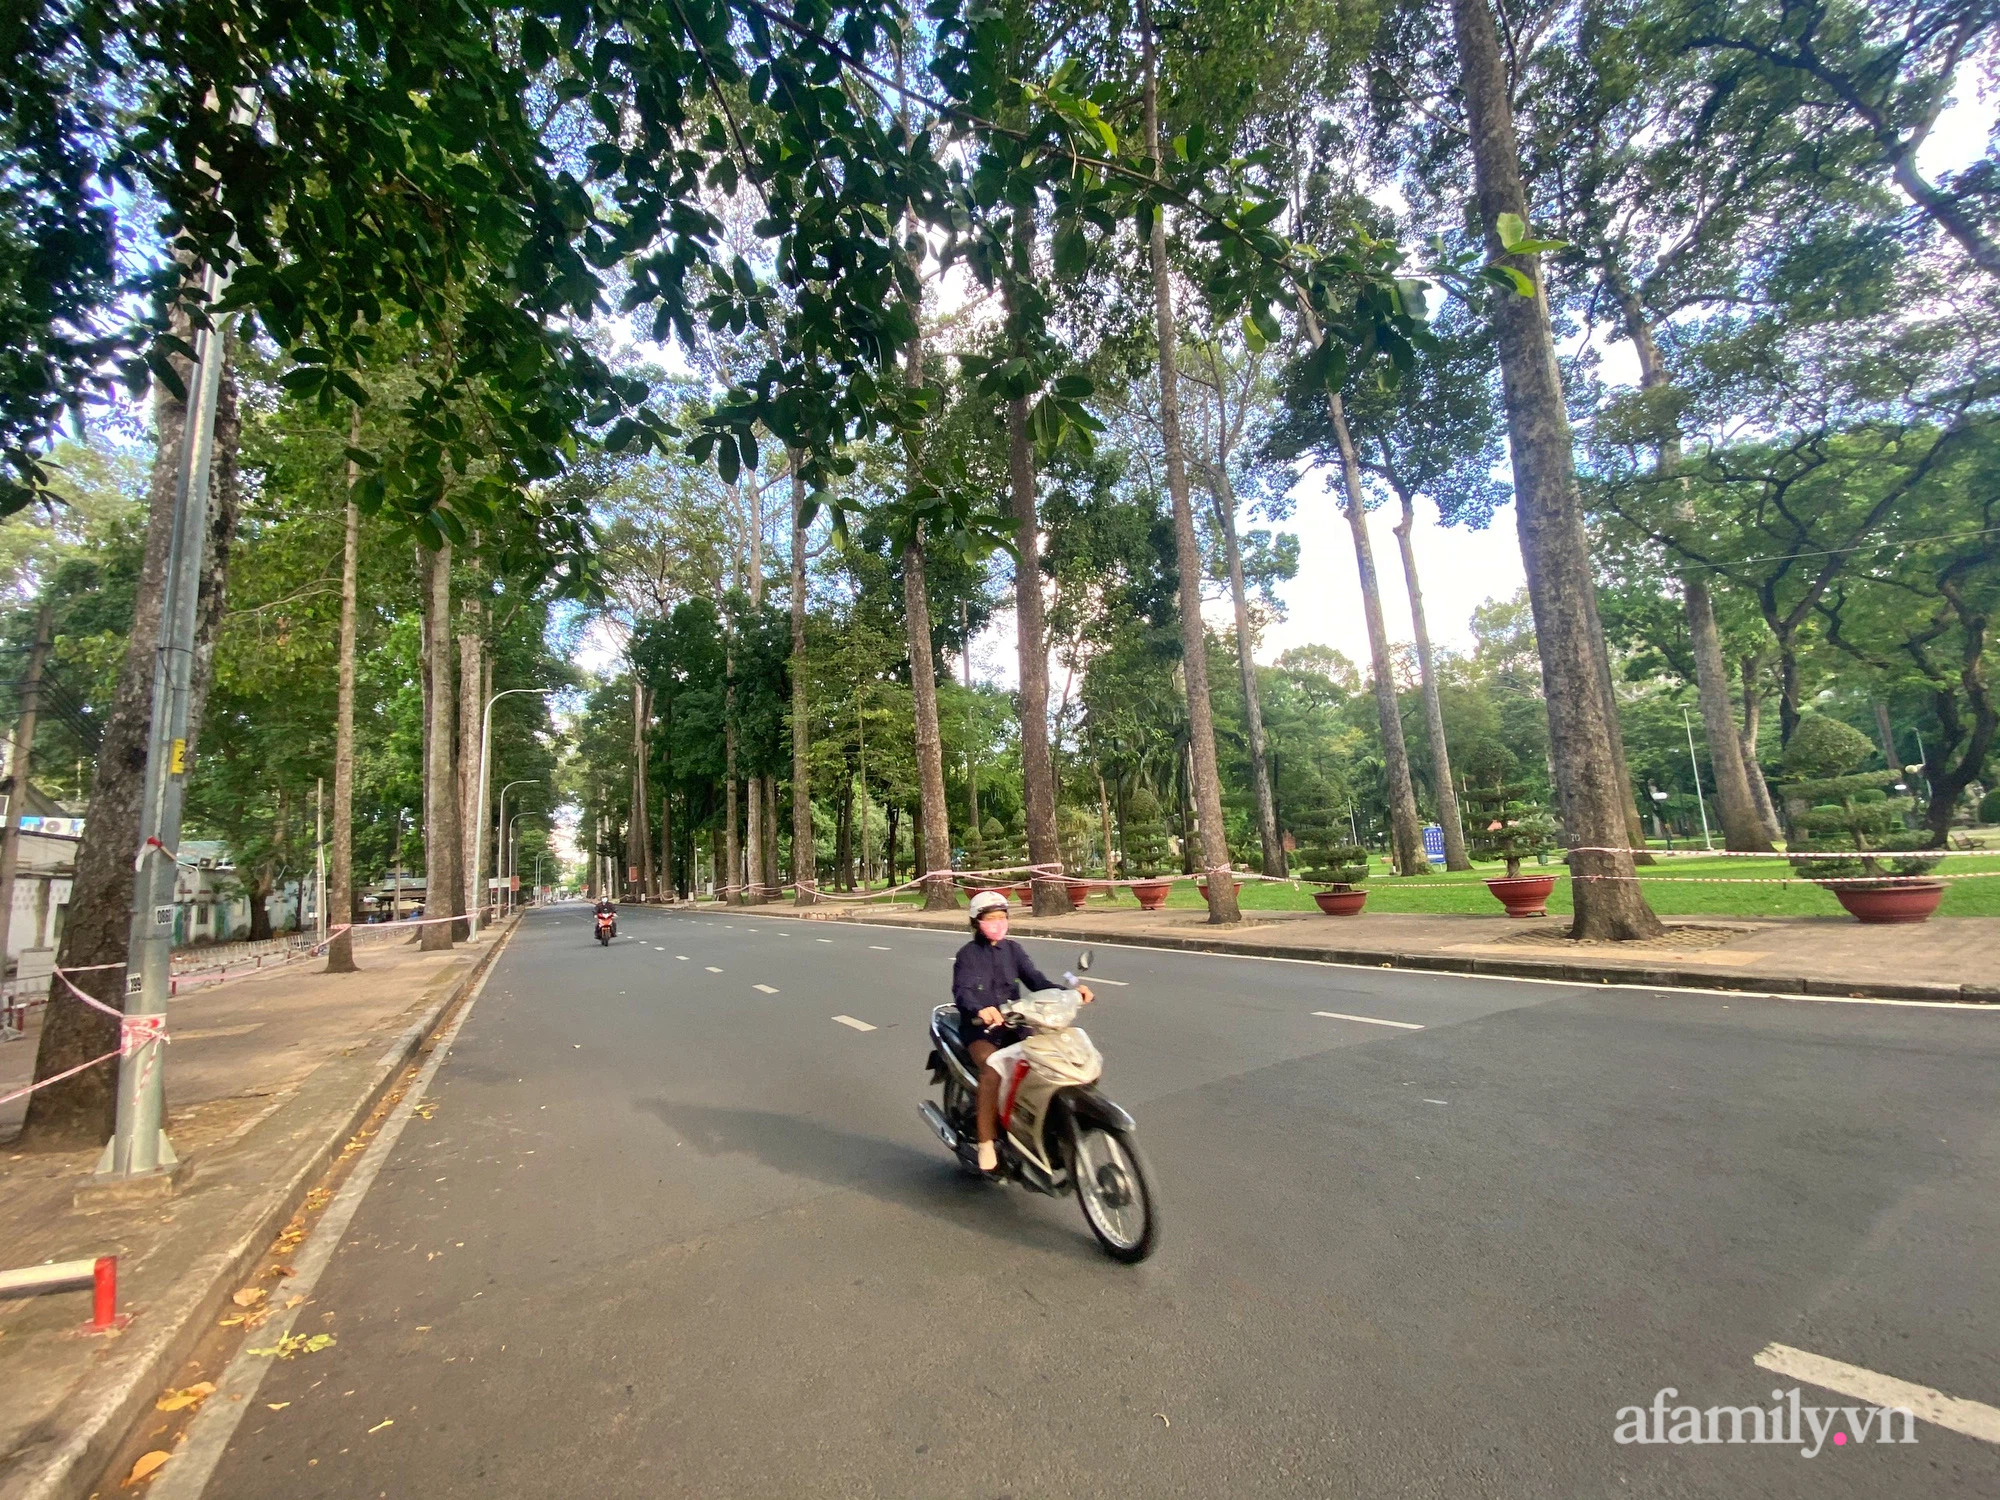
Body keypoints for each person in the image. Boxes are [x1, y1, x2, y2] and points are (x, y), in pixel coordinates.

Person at [952, 890, 1092, 1174]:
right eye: (991, 918)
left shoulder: (1013, 950)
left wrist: (1070, 993)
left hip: (1015, 1025)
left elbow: (1037, 981)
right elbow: (962, 991)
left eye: (1002, 917)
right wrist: (980, 1010)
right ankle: (986, 1143)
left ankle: (1031, 1122)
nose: (998, 923)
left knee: (1045, 1063)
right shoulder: (967, 955)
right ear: (976, 922)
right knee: (993, 1070)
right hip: (981, 1032)